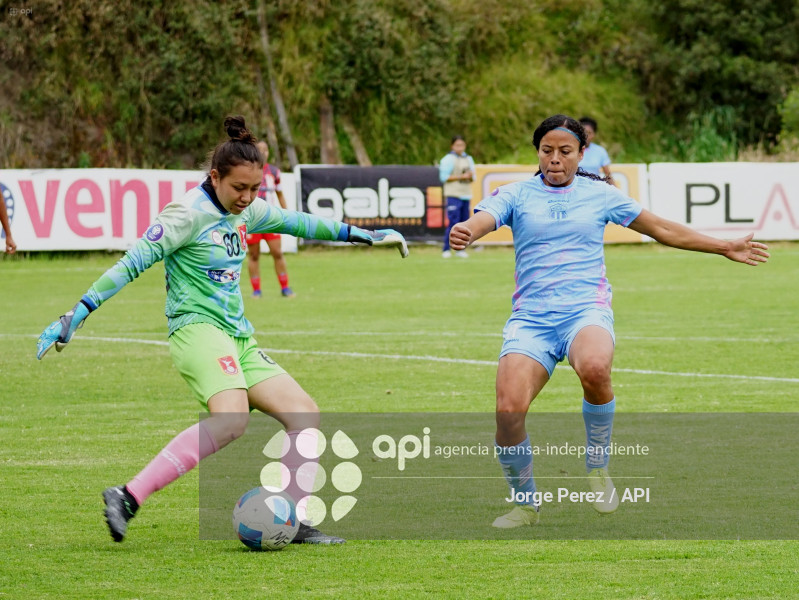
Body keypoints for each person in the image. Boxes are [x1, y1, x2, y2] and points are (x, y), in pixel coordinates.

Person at [36, 116, 408, 544]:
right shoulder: (185, 215)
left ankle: (292, 519)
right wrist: (77, 312)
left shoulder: (248, 208)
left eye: (255, 190)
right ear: (215, 176)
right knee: (231, 421)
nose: (248, 199)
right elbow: (131, 263)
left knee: (305, 415)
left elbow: (302, 223)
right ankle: (128, 496)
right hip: (196, 330)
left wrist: (367, 236)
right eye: (239, 189)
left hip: (238, 337)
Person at [449, 114, 769, 528]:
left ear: (583, 153)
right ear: (538, 153)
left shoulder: (601, 194)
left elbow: (661, 228)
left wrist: (724, 245)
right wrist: (468, 231)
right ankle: (525, 504)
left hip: (586, 310)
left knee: (596, 368)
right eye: (547, 151)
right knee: (509, 412)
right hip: (532, 319)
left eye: (565, 152)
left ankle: (597, 467)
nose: (555, 160)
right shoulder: (515, 194)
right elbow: (483, 218)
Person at [246, 140, 294, 298]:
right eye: (259, 150)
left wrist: (286, 215)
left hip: (270, 220)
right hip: (252, 221)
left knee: (277, 252)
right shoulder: (247, 171)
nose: (263, 152)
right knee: (253, 255)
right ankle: (256, 290)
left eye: (265, 150)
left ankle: (285, 288)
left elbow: (280, 194)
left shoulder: (274, 172)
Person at [439, 135, 476, 258]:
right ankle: (446, 249)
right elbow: (444, 177)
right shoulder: (448, 159)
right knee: (453, 223)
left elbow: (472, 177)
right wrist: (461, 177)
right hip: (453, 194)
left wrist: (469, 176)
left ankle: (460, 250)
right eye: (457, 145)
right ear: (452, 146)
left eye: (462, 145)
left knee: (464, 224)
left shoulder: (468, 158)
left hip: (466, 194)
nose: (460, 148)